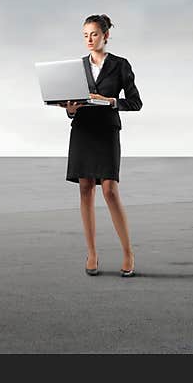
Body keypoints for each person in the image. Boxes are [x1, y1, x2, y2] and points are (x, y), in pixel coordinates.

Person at [59, 14, 142, 278]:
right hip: (83, 130)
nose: (89, 40)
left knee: (109, 190)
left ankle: (128, 252)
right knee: (85, 189)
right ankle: (92, 253)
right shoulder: (78, 67)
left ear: (106, 35)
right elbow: (73, 102)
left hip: (106, 130)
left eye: (94, 34)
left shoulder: (120, 65)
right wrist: (70, 110)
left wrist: (110, 101)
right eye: (85, 35)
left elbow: (135, 102)